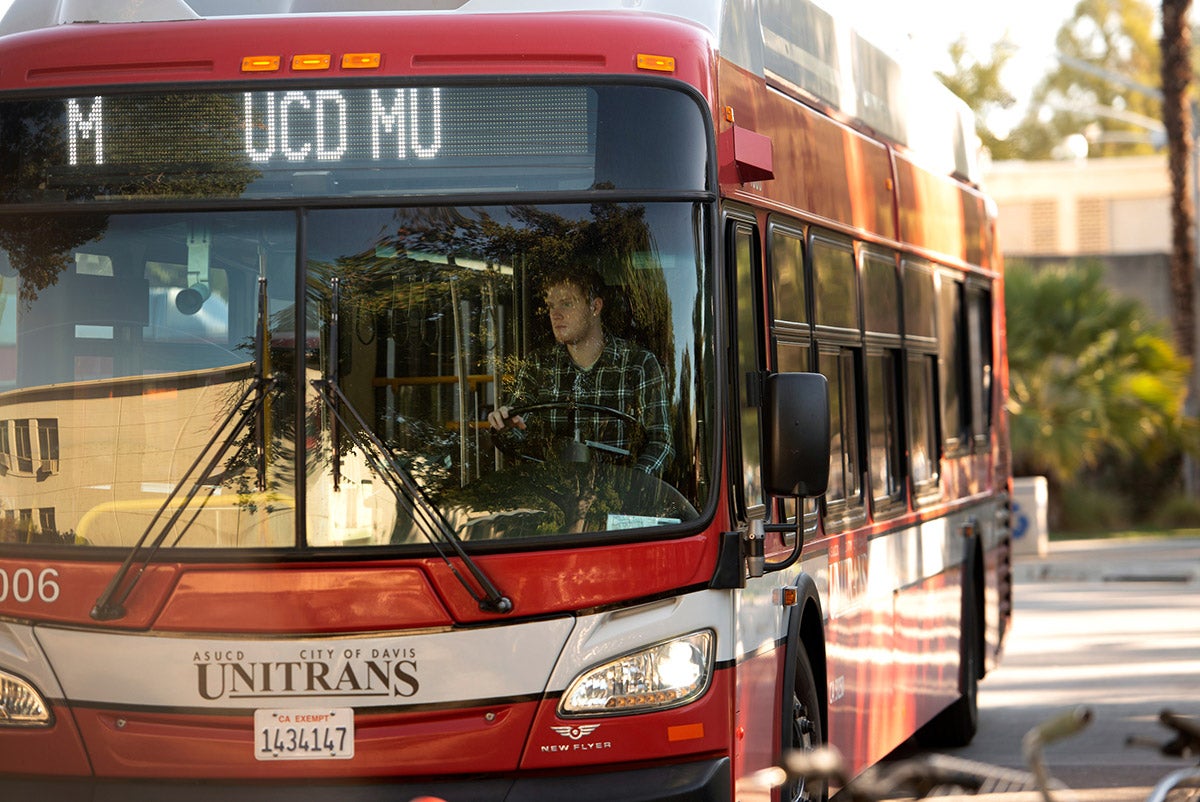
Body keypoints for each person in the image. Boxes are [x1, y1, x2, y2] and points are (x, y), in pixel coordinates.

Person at [487, 266, 672, 475]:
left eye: (566, 304)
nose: (555, 315)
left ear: (595, 307)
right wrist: (507, 425)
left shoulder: (639, 364)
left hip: (618, 499)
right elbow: (520, 432)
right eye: (551, 306)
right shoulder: (538, 365)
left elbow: (660, 443)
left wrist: (631, 488)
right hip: (554, 497)